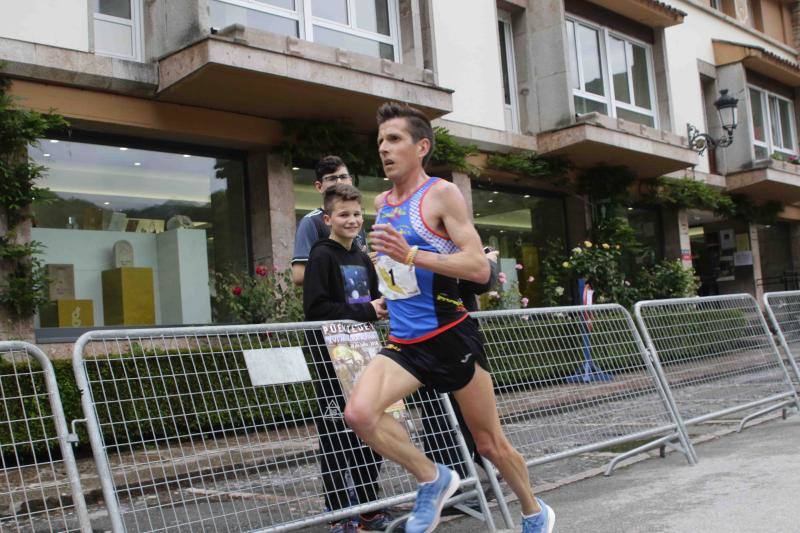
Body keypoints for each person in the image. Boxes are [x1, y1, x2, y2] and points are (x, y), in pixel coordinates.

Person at [344, 103, 555, 533]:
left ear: (421, 147)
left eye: (395, 139)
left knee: (488, 443)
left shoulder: (441, 194)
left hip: (451, 336)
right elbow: (398, 270)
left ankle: (534, 512)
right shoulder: (382, 202)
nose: (384, 148)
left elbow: (479, 268)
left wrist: (411, 254)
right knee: (359, 414)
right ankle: (433, 477)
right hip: (404, 342)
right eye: (380, 141)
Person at [303, 183, 392, 532]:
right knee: (336, 437)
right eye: (343, 214)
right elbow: (316, 309)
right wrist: (366, 309)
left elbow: (375, 300)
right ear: (328, 219)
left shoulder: (359, 255)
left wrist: (381, 308)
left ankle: (370, 507)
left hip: (364, 353)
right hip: (329, 357)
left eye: (357, 214)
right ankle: (339, 514)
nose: (352, 220)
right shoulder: (321, 255)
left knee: (372, 428)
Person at [292, 156, 366, 286]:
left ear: (351, 180)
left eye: (343, 177)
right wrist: (349, 267)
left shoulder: (356, 221)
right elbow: (299, 275)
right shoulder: (311, 222)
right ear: (319, 186)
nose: (339, 182)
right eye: (332, 178)